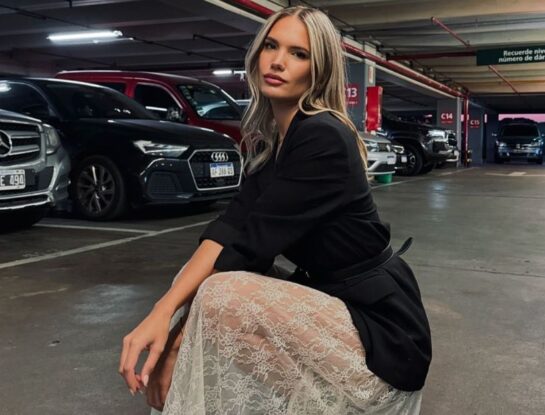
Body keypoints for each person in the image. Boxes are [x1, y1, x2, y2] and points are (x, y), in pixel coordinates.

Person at [119, 6, 432, 414]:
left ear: (318, 70)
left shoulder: (323, 136)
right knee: (191, 281)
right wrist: (162, 312)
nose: (278, 61)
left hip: (381, 333)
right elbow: (229, 227)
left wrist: (176, 341)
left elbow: (249, 247)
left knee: (220, 293)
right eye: (271, 46)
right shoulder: (277, 141)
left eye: (298, 53)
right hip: (332, 301)